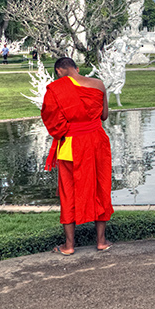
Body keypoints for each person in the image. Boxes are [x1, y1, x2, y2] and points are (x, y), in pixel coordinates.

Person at [41, 57, 114, 254]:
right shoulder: (98, 84)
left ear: (58, 71)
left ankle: (69, 245)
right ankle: (101, 241)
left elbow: (53, 124)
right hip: (97, 143)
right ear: (77, 68)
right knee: (100, 187)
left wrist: (71, 127)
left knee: (69, 191)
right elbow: (104, 116)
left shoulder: (56, 89)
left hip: (71, 145)